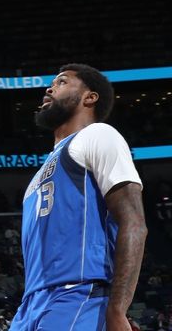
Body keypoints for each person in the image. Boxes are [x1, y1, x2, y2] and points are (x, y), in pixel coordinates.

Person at [10, 64, 147, 331]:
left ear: (90, 97)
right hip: (31, 305)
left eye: (62, 82)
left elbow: (135, 223)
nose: (49, 88)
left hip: (78, 294)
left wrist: (117, 310)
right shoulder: (41, 172)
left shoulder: (98, 135)